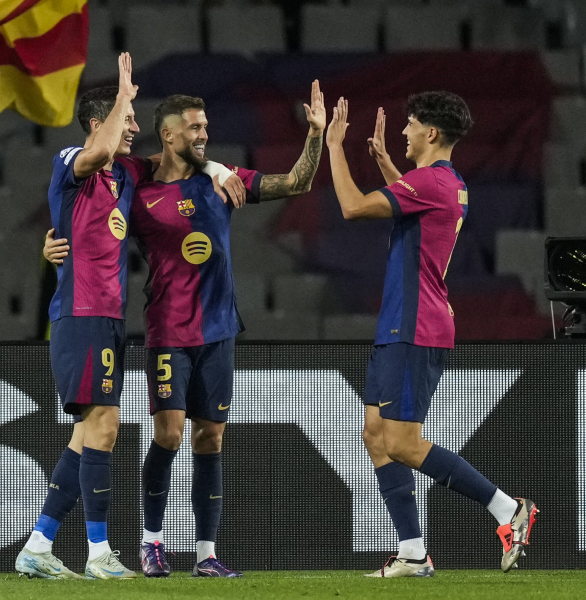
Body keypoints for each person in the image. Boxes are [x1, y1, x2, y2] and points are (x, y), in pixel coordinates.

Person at [45, 82, 326, 577]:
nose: (205, 134)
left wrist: (315, 137)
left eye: (205, 126)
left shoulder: (222, 179)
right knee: (170, 434)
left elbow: (295, 183)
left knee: (211, 438)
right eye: (195, 127)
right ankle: (150, 543)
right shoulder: (134, 178)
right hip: (167, 327)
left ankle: (206, 555)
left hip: (219, 327)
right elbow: (86, 209)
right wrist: (52, 248)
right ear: (169, 135)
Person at [325, 92, 537, 577]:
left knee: (401, 441)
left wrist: (335, 145)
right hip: (401, 321)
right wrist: (384, 165)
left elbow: (354, 208)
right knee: (376, 435)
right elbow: (415, 207)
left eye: (411, 124)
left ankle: (508, 509)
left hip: (415, 324)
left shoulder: (432, 182)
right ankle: (413, 552)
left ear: (432, 134)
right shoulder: (448, 183)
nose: (403, 132)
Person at [16, 54, 141, 580]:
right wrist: (122, 95)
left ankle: (38, 547)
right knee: (104, 426)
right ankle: (97, 554)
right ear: (99, 123)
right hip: (81, 311)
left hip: (108, 315)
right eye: (127, 119)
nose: (134, 127)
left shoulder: (125, 180)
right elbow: (99, 151)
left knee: (85, 434)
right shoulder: (73, 159)